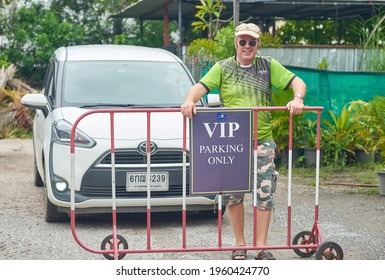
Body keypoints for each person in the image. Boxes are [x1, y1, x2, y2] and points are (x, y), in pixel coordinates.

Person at [181, 23, 306, 260]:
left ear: (258, 44)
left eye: (252, 42)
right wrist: (189, 101)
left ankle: (261, 246)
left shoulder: (268, 65)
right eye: (243, 42)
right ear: (236, 43)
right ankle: (240, 244)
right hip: (232, 142)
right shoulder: (223, 67)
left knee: (264, 193)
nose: (247, 46)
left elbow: (298, 83)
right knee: (233, 194)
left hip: (263, 140)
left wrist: (297, 98)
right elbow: (199, 87)